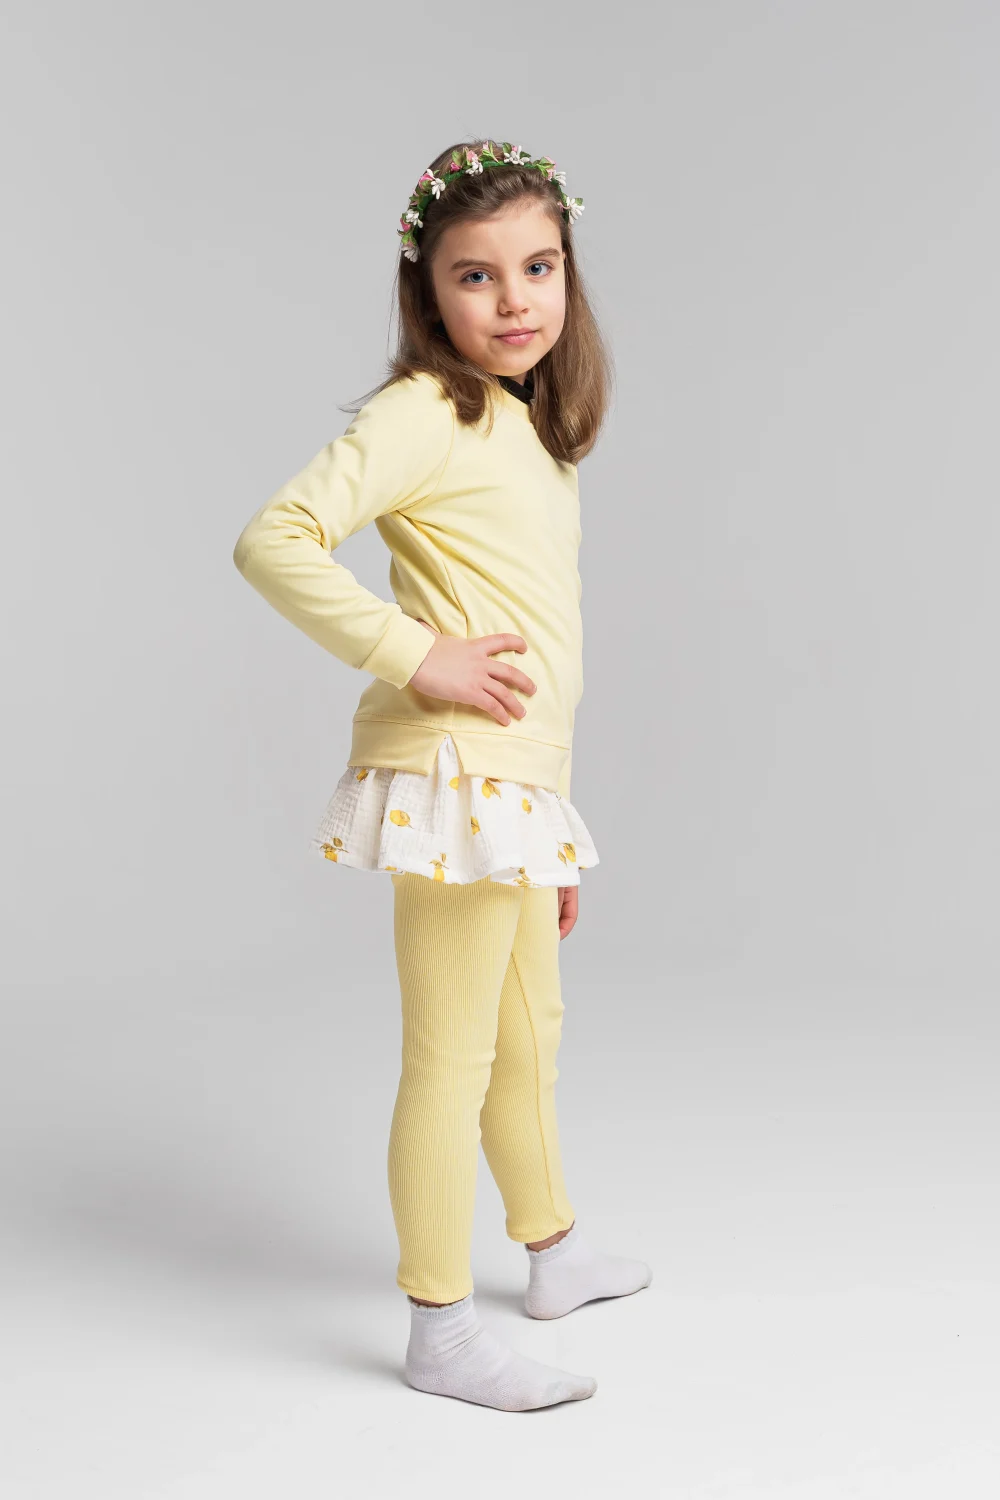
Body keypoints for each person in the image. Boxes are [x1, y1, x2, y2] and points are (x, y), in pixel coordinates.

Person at [232, 138, 651, 1411]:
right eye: (476, 276)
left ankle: (552, 1250)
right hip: (454, 777)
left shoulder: (532, 431)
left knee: (530, 1033)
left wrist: (549, 827)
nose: (514, 300)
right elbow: (274, 539)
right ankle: (439, 1329)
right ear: (428, 292)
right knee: (453, 1054)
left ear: (568, 274)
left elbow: (541, 648)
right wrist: (417, 656)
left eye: (538, 267)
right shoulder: (427, 411)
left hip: (510, 789)